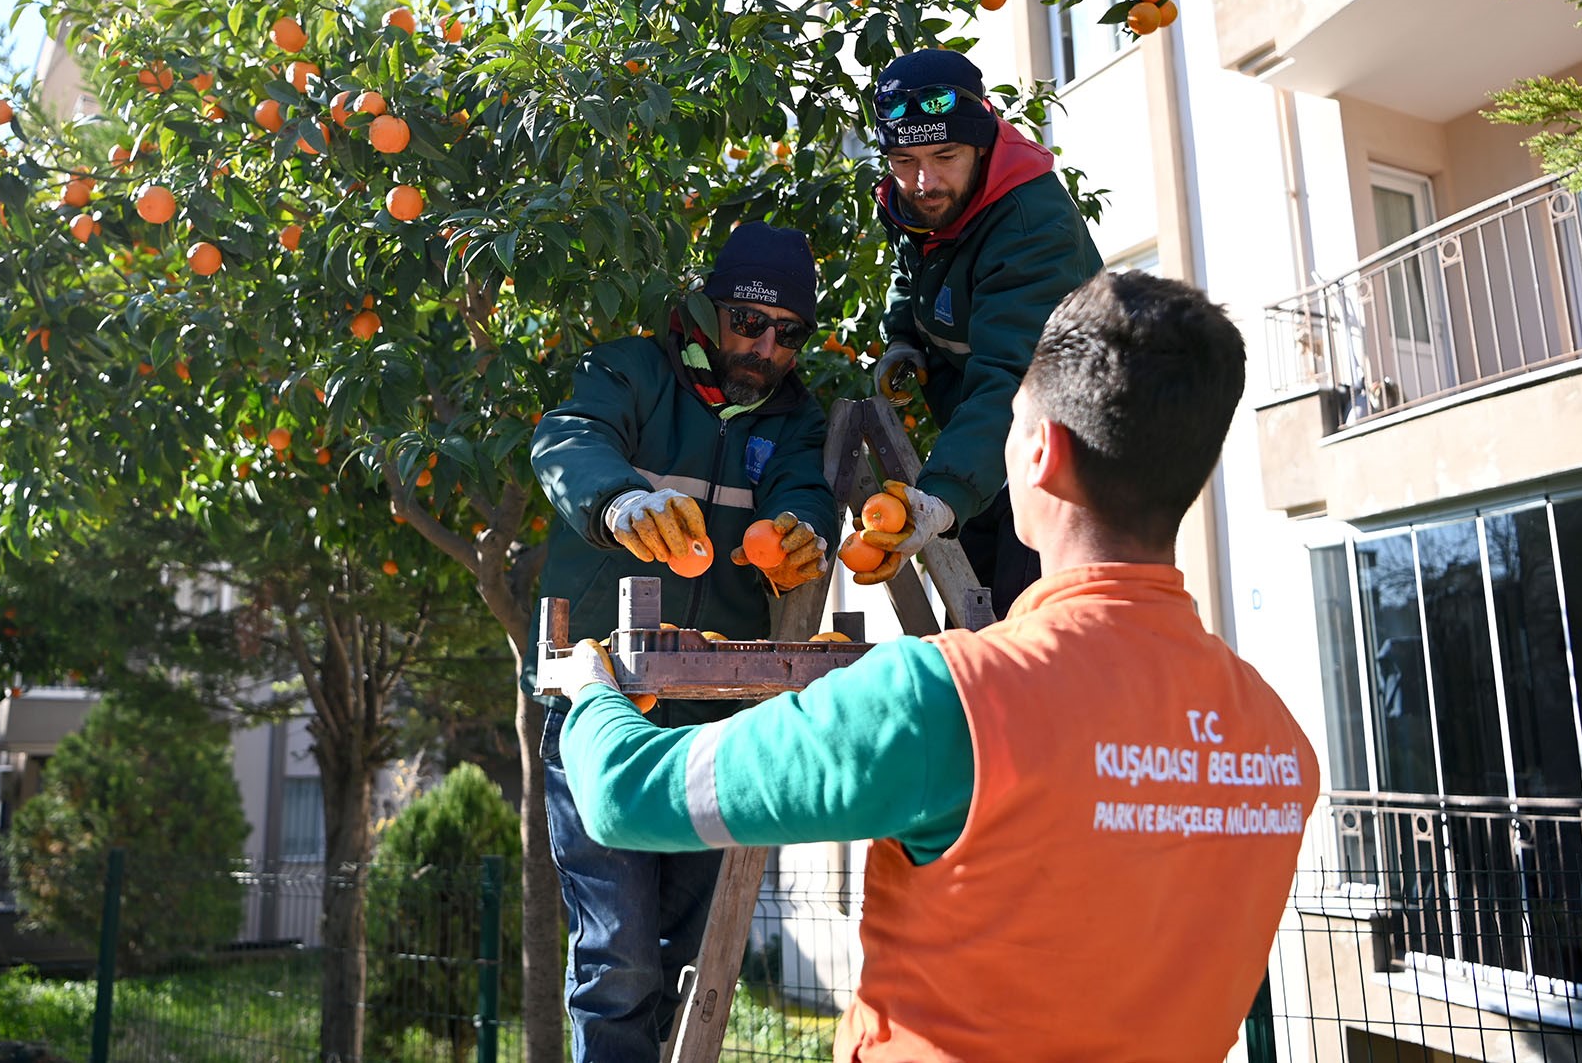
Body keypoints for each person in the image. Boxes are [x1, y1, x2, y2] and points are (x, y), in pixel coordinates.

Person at [555, 271, 1318, 1063]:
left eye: (1011, 420)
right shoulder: (1277, 747)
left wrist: (591, 690)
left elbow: (621, 794)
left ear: (1041, 452)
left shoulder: (949, 699)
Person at [526, 221, 839, 1063]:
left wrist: (803, 530)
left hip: (712, 717)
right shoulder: (628, 371)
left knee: (688, 958)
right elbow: (566, 438)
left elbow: (805, 489)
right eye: (748, 321)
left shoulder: (796, 416)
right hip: (601, 702)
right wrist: (618, 502)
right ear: (705, 309)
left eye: (788, 333)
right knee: (617, 958)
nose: (767, 346)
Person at [855, 48, 1104, 617]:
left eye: (945, 155)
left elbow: (1016, 383)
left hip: (1065, 456)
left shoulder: (1031, 224)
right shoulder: (916, 199)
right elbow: (912, 270)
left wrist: (943, 493)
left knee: (1025, 637)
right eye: (903, 159)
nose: (924, 181)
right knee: (968, 631)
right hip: (988, 445)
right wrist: (904, 338)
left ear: (983, 141)